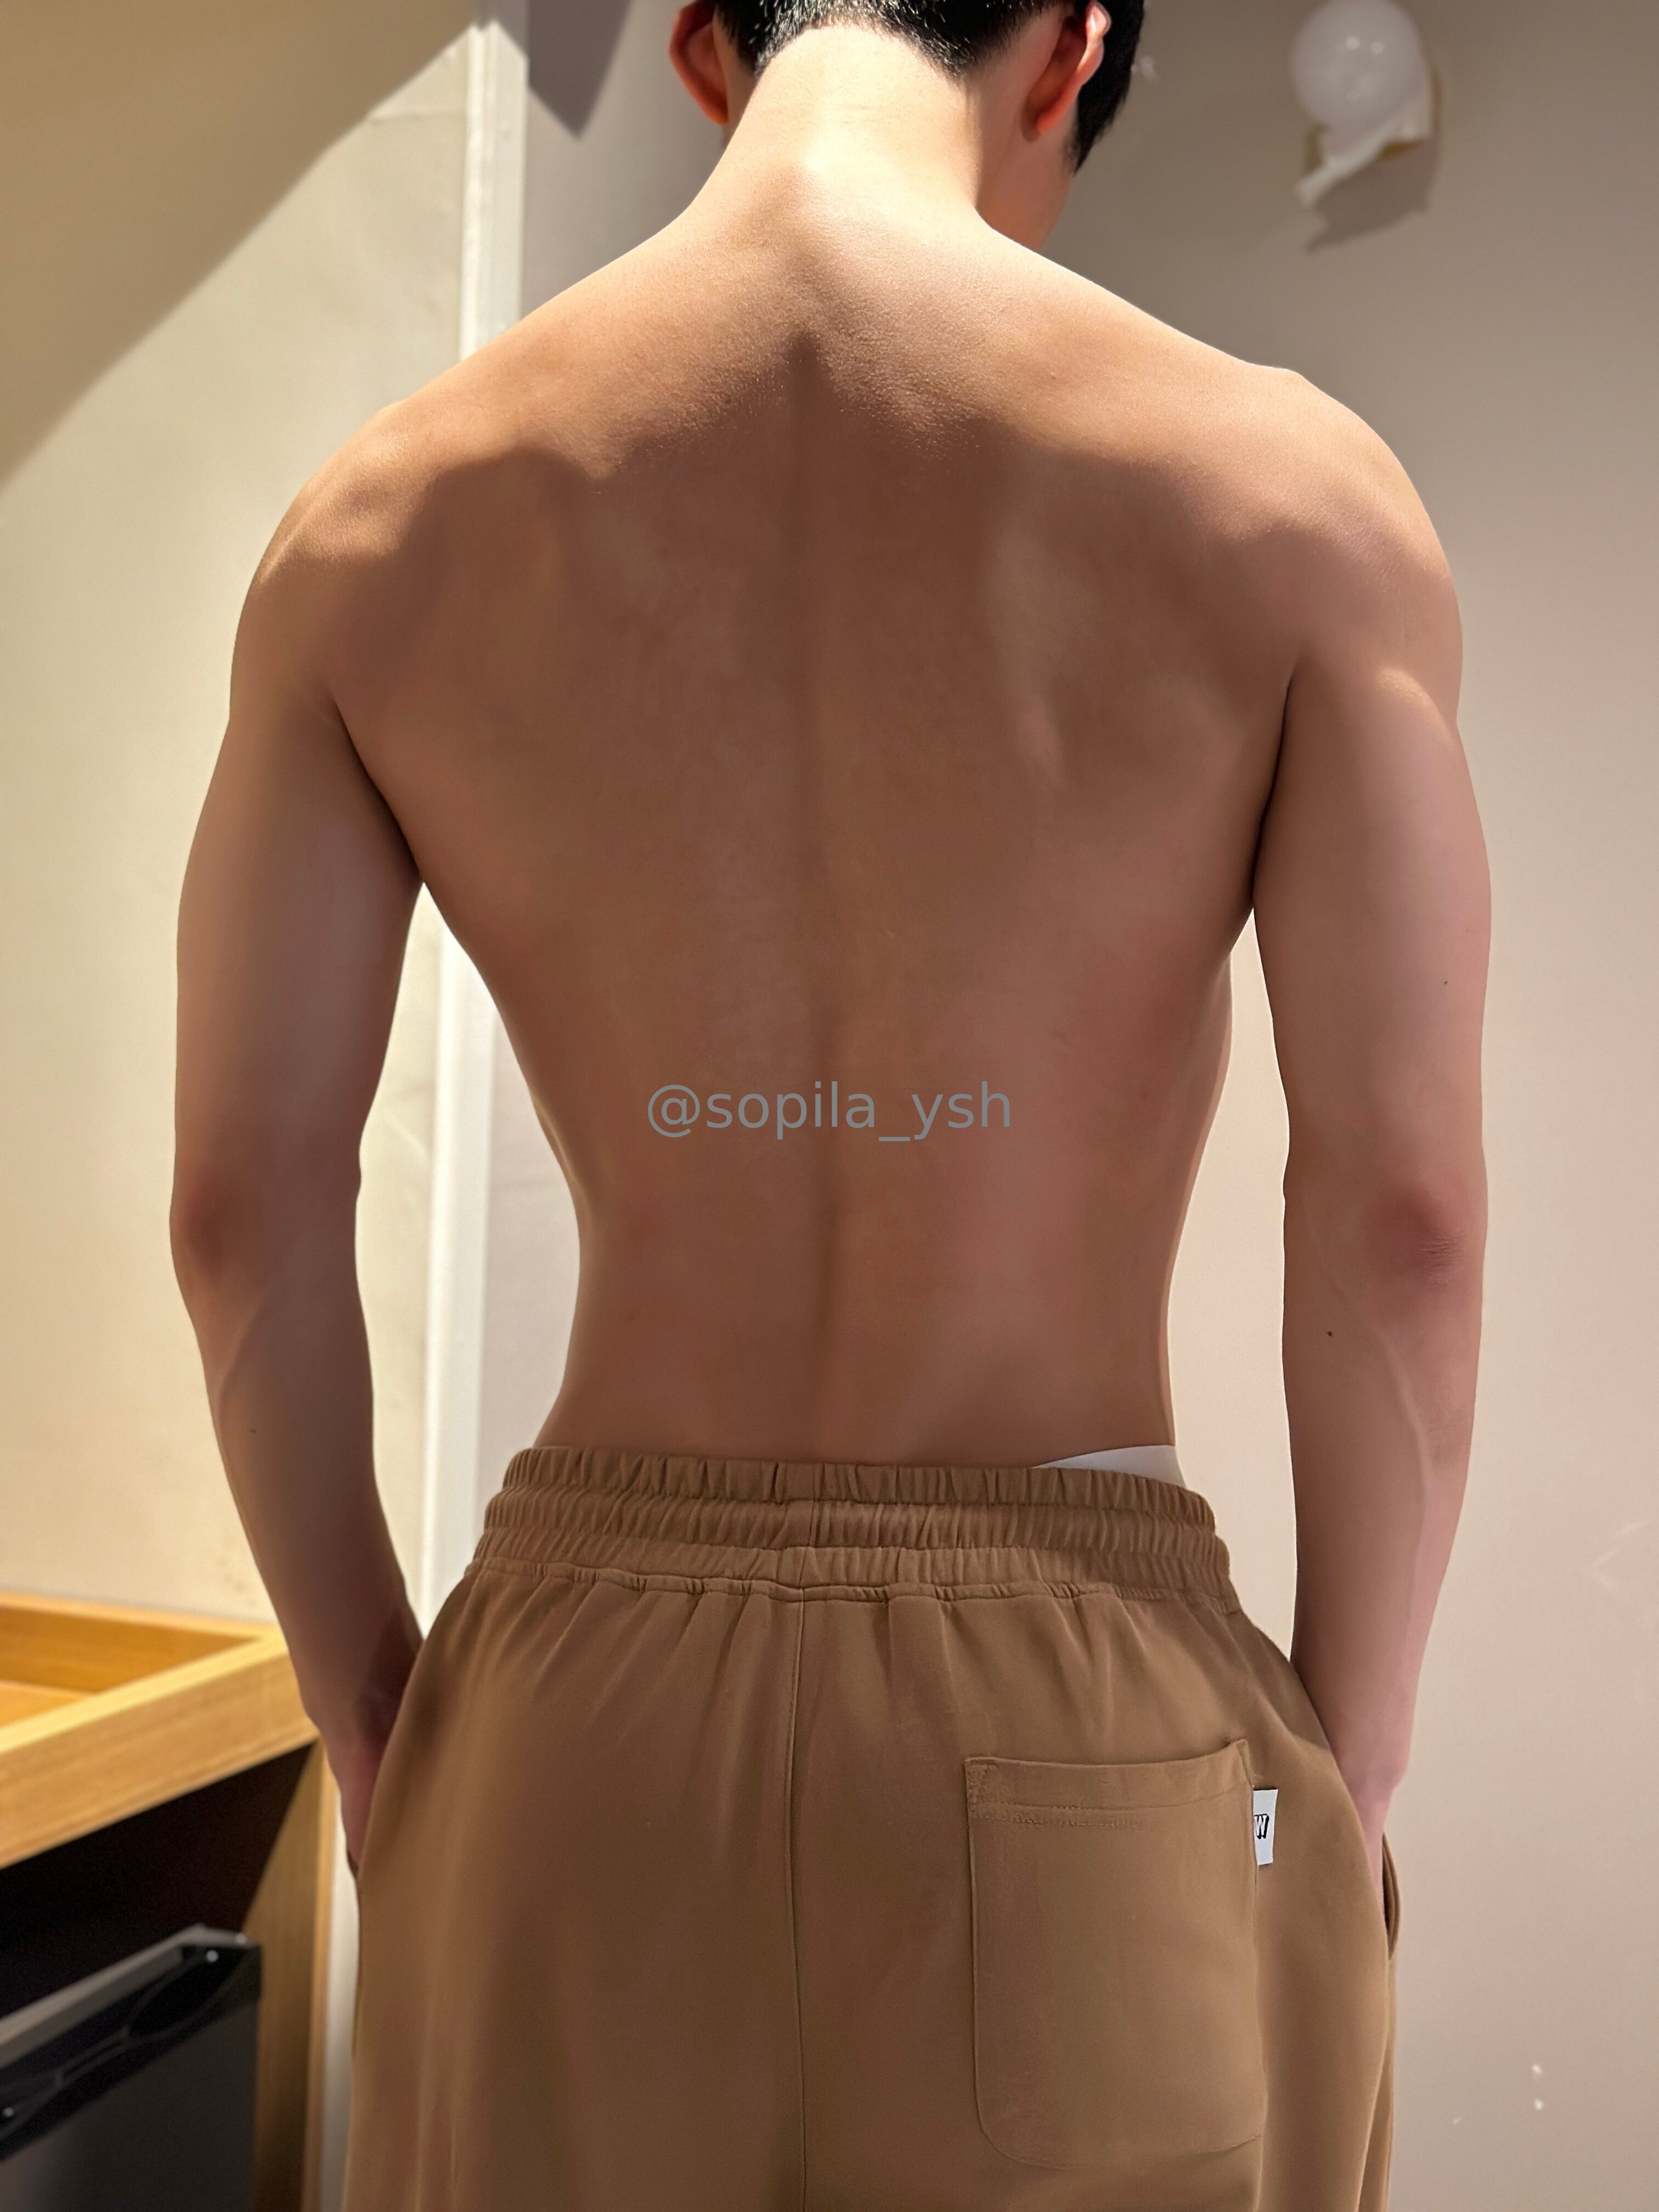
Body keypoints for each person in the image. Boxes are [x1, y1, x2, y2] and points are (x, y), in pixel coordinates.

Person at [170, 3, 1489, 2205]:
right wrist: (1339, 1772)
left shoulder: (375, 534)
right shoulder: (1289, 497)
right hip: (1096, 1724)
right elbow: (1406, 1215)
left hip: (567, 1738)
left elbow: (242, 1208)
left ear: (703, 47)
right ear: (1065, 52)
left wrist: (377, 1716)